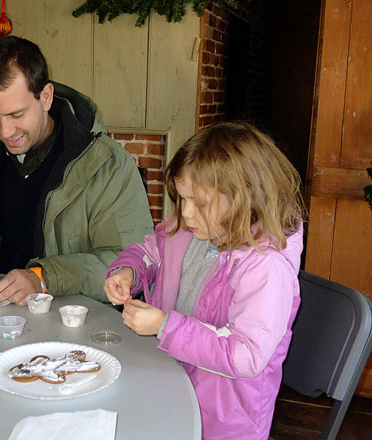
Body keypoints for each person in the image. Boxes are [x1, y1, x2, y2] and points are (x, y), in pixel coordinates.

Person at [104, 122, 305, 440]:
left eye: (200, 203)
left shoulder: (266, 267)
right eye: (182, 199)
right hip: (168, 382)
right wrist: (129, 270)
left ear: (243, 199)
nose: (186, 213)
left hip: (223, 419)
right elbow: (152, 251)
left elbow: (246, 355)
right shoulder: (196, 227)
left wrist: (164, 327)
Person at [0, 35, 153, 305]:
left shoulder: (107, 164)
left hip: (66, 317)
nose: (5, 132)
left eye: (17, 114)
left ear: (45, 97)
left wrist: (43, 278)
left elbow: (130, 261)